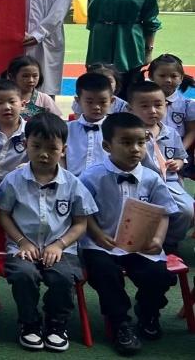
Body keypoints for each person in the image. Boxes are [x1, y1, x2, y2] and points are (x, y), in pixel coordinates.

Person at [0, 113, 97, 352]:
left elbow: (80, 223)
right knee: (24, 274)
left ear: (64, 150)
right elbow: (3, 215)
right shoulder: (13, 180)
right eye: (36, 146)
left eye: (52, 148)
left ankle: (56, 324)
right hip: (21, 248)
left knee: (63, 278)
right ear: (25, 144)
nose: (43, 154)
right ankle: (29, 323)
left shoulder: (73, 183)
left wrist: (59, 245)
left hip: (62, 250)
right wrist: (22, 241)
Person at [79, 112, 177, 355]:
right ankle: (120, 322)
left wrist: (158, 239)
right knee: (105, 272)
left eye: (141, 142)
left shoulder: (152, 178)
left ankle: (148, 312)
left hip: (140, 245)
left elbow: (164, 212)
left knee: (159, 274)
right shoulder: (92, 176)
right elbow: (82, 211)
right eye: (126, 142)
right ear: (107, 146)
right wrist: (97, 234)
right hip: (102, 245)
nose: (135, 149)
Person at [127, 80, 193, 255]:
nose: (153, 110)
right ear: (130, 109)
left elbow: (181, 156)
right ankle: (135, 241)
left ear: (166, 105)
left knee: (187, 210)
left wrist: (177, 163)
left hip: (167, 182)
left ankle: (170, 242)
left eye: (158, 105)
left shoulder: (171, 133)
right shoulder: (128, 133)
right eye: (144, 106)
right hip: (138, 182)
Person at [64, 72, 114, 176]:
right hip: (72, 182)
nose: (96, 107)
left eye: (102, 102)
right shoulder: (66, 129)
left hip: (105, 182)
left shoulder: (116, 130)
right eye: (89, 102)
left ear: (111, 101)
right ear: (78, 101)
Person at [147, 53, 195, 155]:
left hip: (179, 152)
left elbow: (192, 131)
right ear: (151, 76)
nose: (168, 80)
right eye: (162, 76)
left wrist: (180, 152)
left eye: (174, 76)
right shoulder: (143, 102)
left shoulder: (188, 105)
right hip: (150, 151)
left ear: (181, 78)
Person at [2, 55, 63, 120]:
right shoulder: (3, 98)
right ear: (12, 77)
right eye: (25, 76)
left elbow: (58, 122)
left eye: (35, 76)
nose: (31, 80)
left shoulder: (44, 99)